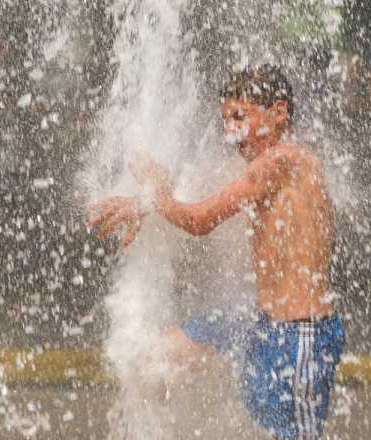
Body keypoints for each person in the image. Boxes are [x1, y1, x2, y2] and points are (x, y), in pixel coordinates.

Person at [88, 64, 345, 439]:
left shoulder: (286, 160)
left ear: (278, 112)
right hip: (262, 324)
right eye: (225, 120)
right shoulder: (263, 169)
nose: (231, 131)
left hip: (300, 333)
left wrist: (156, 194)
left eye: (239, 117)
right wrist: (147, 202)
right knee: (160, 355)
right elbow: (191, 200)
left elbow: (200, 219)